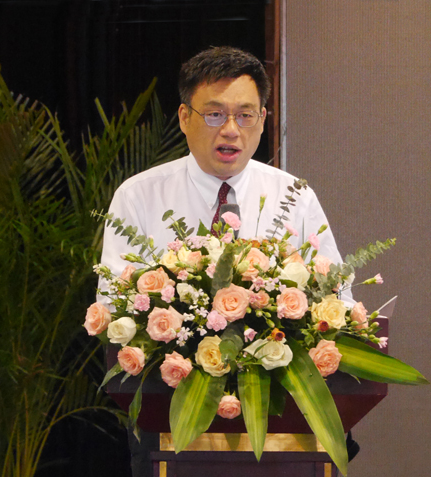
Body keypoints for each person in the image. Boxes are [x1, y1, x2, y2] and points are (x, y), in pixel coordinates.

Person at [99, 46, 350, 304]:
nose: (231, 130)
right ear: (185, 118)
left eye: (245, 115)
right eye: (215, 115)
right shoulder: (137, 197)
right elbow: (113, 303)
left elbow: (338, 300)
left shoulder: (294, 197)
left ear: (262, 120)